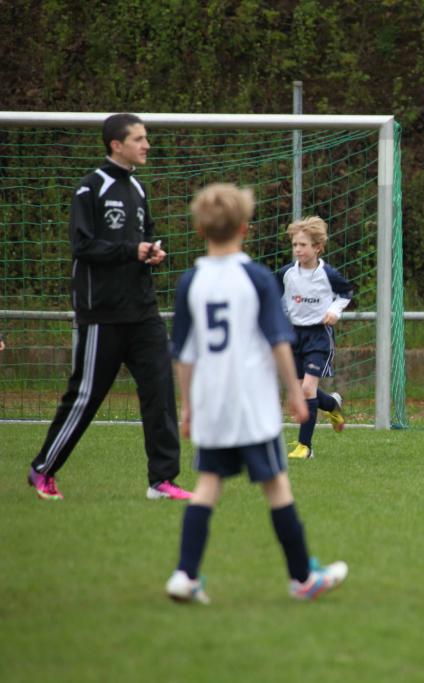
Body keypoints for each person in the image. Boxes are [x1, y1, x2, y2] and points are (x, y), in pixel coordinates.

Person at [165, 183, 348, 604]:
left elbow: (184, 354)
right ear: (244, 228)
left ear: (199, 230)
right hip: (250, 403)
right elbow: (279, 341)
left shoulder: (190, 281)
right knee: (277, 487)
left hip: (211, 403)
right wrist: (295, 394)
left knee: (207, 485)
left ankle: (185, 574)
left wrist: (187, 406)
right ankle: (303, 578)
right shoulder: (258, 277)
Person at [27, 113, 190, 501]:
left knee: (160, 391)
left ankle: (162, 481)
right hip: (103, 312)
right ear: (116, 144)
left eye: (146, 138)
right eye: (139, 139)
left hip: (143, 310)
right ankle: (43, 469)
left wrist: (151, 251)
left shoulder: (138, 187)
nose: (146, 145)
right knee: (86, 396)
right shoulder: (91, 187)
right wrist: (130, 250)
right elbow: (82, 246)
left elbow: (145, 236)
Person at [276, 216, 353, 459]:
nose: (298, 250)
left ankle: (305, 447)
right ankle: (331, 405)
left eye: (303, 245)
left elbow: (346, 292)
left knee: (308, 389)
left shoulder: (327, 274)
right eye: (295, 245)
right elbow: (272, 295)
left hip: (318, 336)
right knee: (302, 390)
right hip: (294, 335)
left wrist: (334, 311)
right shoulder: (287, 274)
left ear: (317, 247)